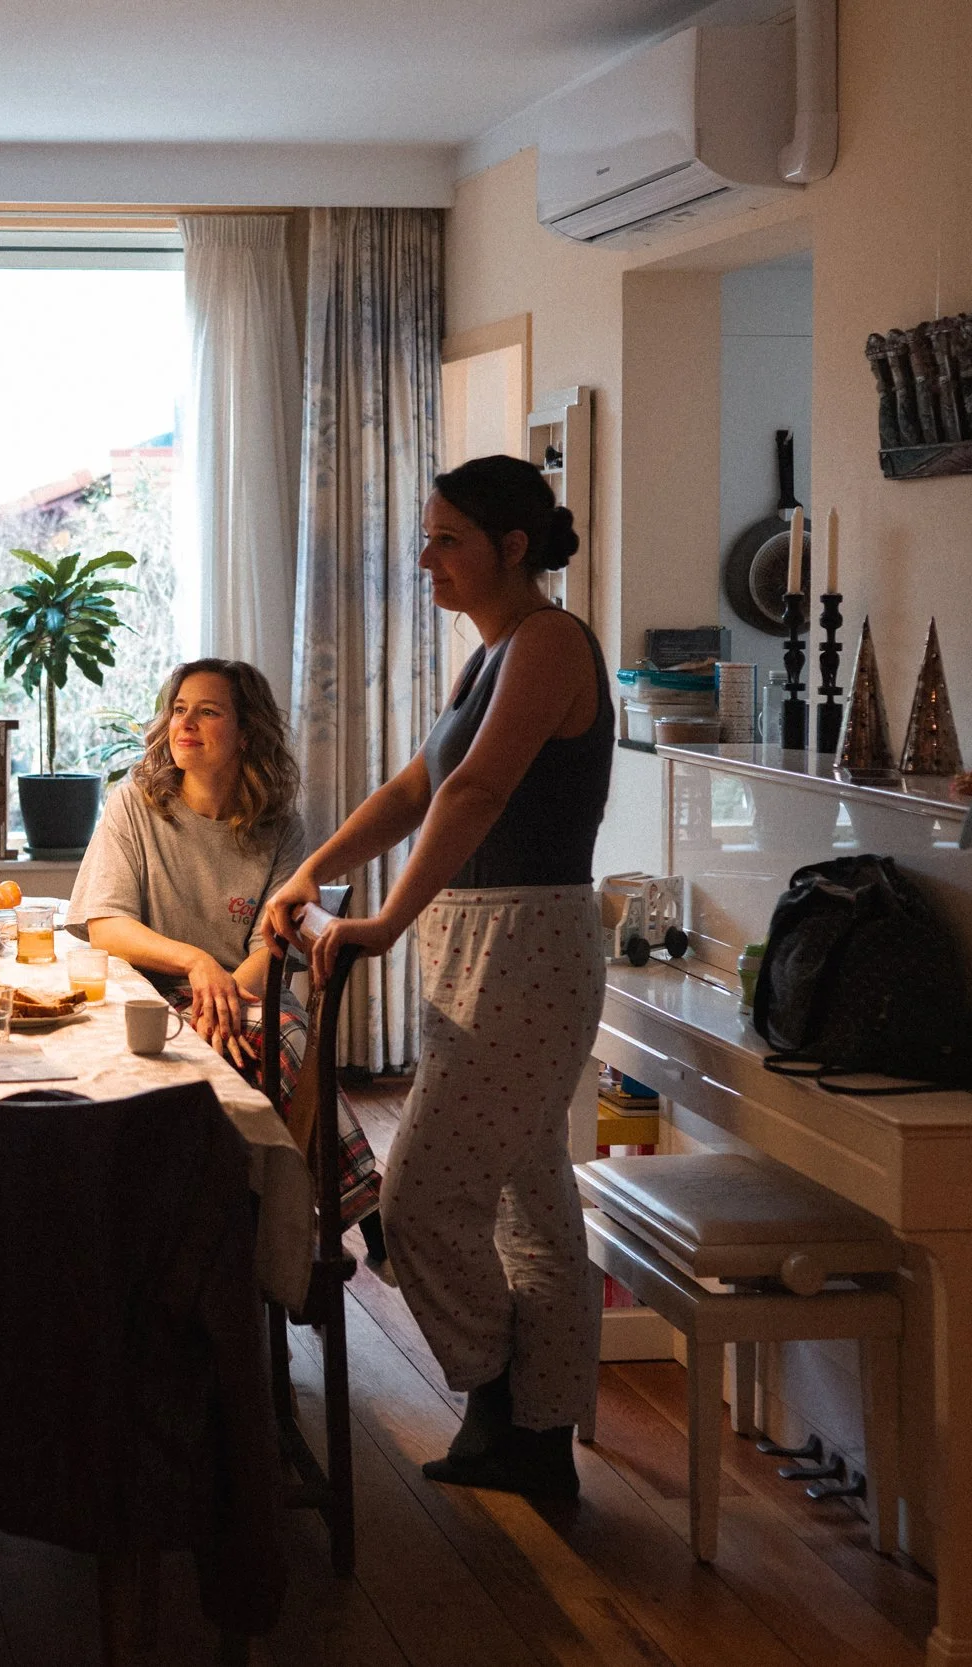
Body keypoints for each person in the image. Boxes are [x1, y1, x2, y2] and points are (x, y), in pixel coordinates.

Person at [264, 455, 613, 1498]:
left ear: (512, 546)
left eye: (445, 539)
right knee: (529, 1194)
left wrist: (376, 919)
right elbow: (418, 783)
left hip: (525, 939)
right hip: (481, 934)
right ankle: (536, 1440)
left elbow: (475, 790)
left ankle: (502, 1398)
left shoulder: (549, 642)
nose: (424, 559)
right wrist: (314, 870)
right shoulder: (492, 652)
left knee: (416, 1199)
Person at [68, 659, 384, 1241]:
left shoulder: (280, 828)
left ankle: (259, 1228)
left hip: (245, 991)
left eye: (208, 711)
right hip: (149, 996)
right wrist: (196, 963)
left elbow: (279, 938)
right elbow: (106, 923)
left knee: (274, 1038)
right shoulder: (134, 804)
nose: (184, 724)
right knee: (278, 1043)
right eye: (179, 710)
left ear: (247, 732)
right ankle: (360, 1215)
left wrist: (227, 995)